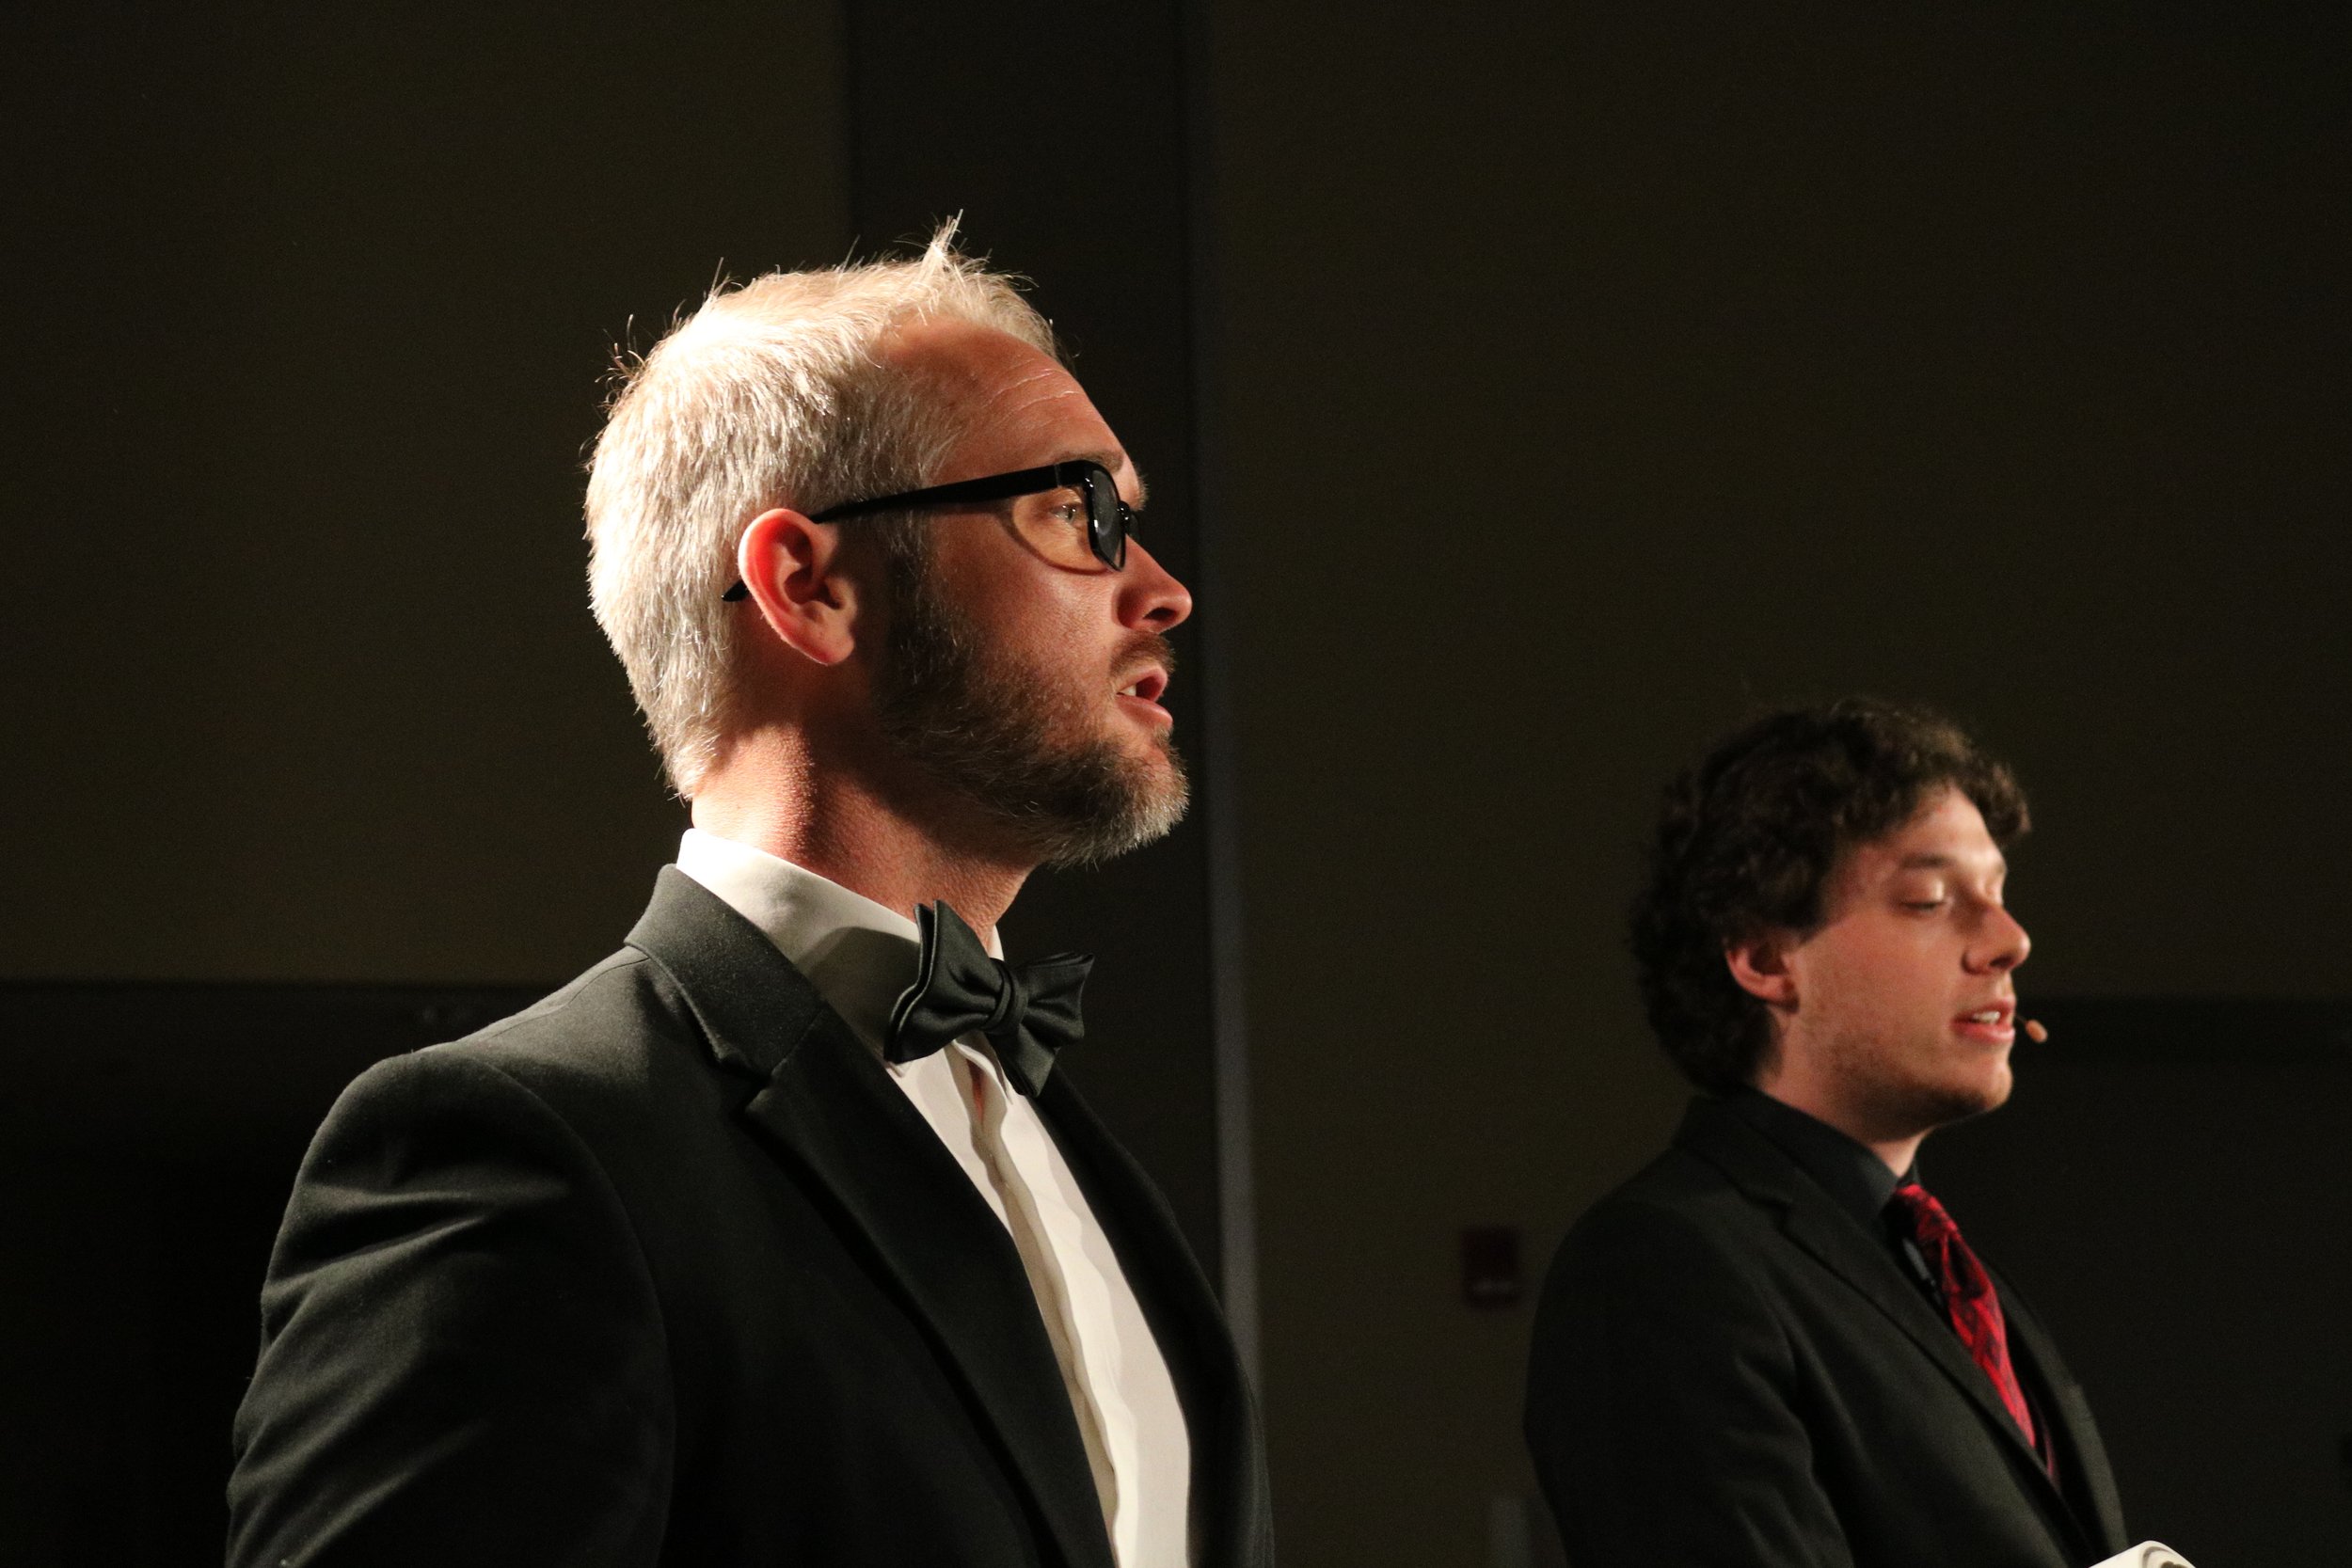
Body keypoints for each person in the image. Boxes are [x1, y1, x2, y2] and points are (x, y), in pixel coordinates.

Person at [228, 231, 1272, 1568]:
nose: (1163, 586)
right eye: (1081, 510)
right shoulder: (521, 1148)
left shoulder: (1086, 1163)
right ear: (809, 585)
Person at [1524, 698, 2127, 1566]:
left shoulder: (1938, 1264)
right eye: (1929, 900)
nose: (2010, 939)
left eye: (1997, 894)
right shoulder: (1662, 1265)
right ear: (1767, 959)